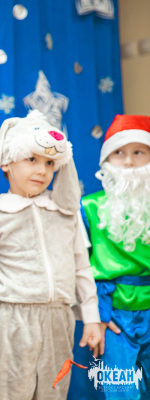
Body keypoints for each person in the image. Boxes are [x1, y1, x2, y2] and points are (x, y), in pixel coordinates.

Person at [0, 110, 101, 399]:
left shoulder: (66, 215)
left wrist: (91, 317)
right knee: (9, 392)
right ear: (7, 162)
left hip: (59, 319)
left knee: (54, 391)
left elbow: (81, 267)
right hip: (13, 319)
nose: (42, 171)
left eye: (49, 163)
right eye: (31, 159)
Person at [82, 114, 150, 398]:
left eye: (139, 152)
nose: (129, 162)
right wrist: (95, 313)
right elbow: (77, 267)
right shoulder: (89, 207)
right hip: (112, 314)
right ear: (106, 160)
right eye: (119, 153)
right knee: (120, 390)